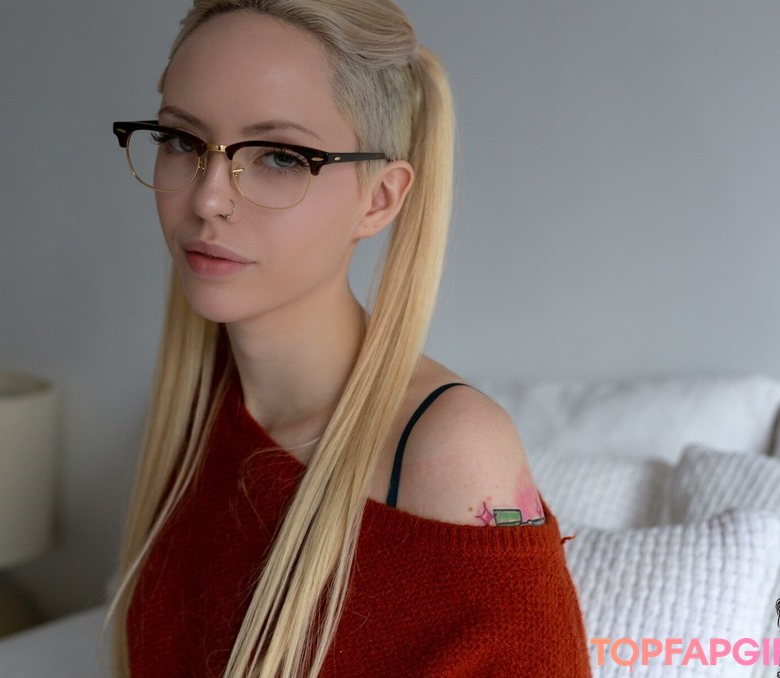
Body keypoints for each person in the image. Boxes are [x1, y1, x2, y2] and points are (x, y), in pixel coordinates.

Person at [108, 1, 590, 675]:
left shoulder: (450, 450)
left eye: (280, 156)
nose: (208, 197)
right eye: (183, 141)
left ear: (379, 199)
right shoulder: (200, 403)